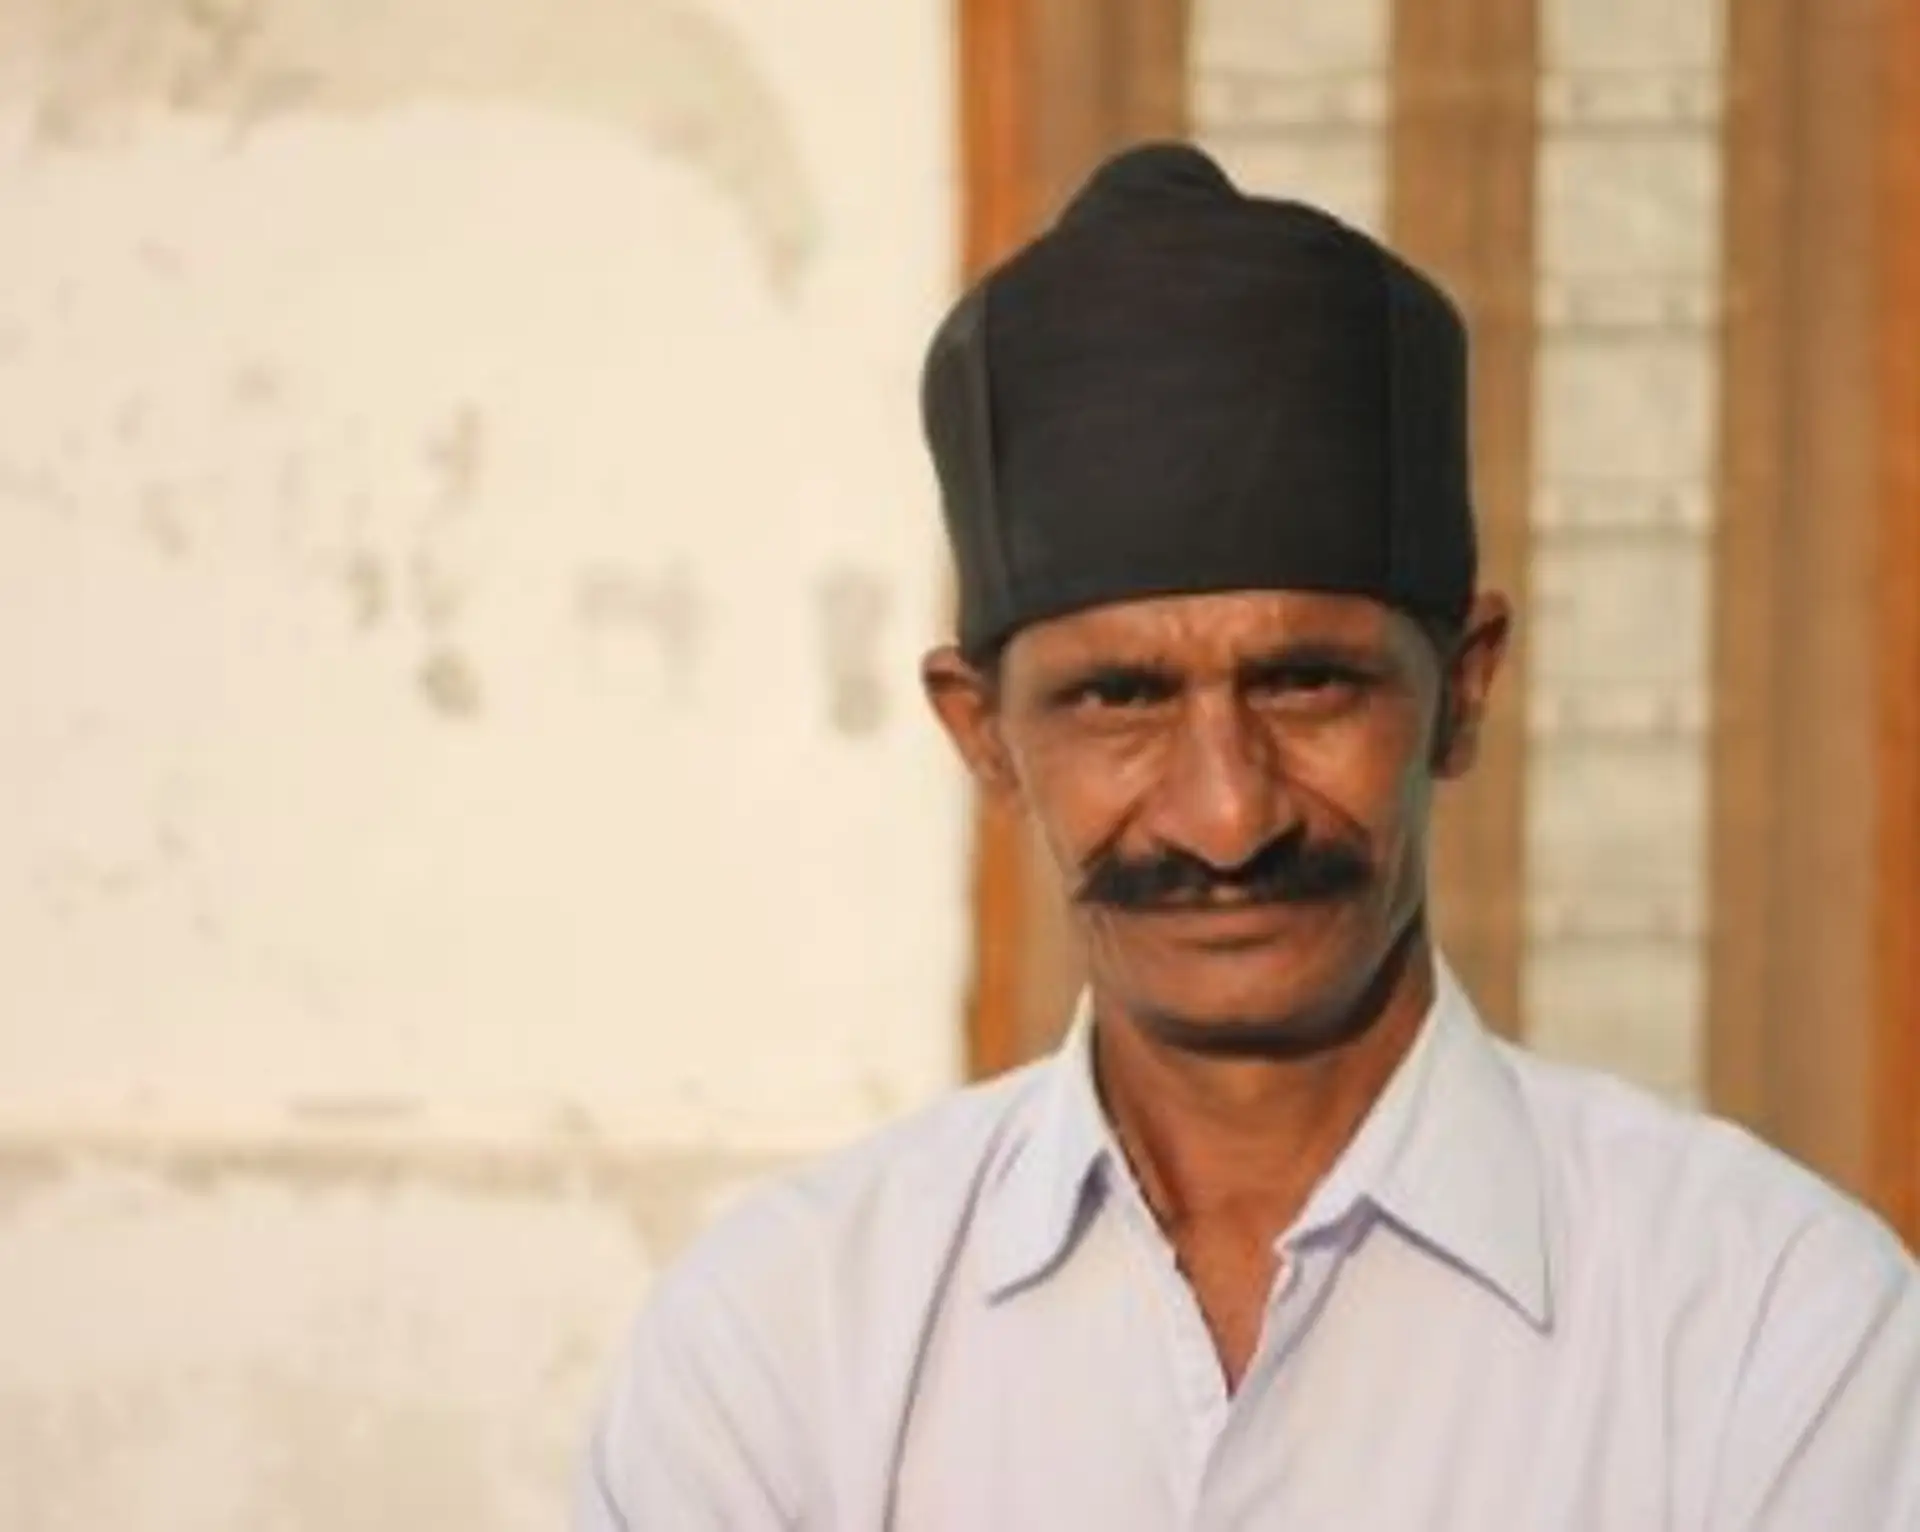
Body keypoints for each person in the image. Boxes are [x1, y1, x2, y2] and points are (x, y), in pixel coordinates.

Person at [574, 143, 1920, 1530]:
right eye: (1121, 699)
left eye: (1305, 682)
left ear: (1463, 690)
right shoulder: (784, 1347)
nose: (1227, 814)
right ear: (983, 734)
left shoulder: (1770, 1324)